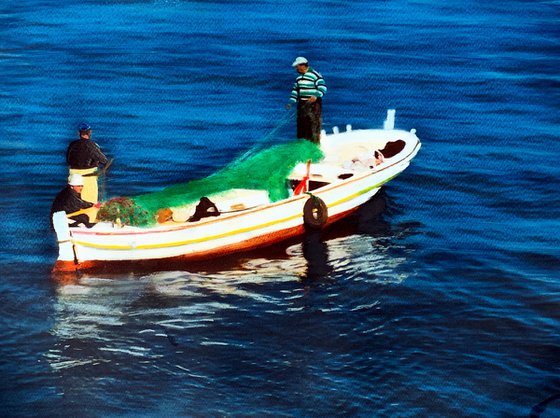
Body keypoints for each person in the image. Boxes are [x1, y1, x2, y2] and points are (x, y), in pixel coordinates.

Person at [66, 122, 108, 208]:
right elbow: (104, 160)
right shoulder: (92, 145)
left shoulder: (72, 145)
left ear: (78, 133)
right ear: (90, 132)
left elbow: (68, 160)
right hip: (88, 177)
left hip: (73, 176)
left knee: (74, 200)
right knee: (90, 201)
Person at [286, 57, 327, 144]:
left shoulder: (315, 75)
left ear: (303, 65)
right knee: (302, 125)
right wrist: (291, 102)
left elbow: (323, 88)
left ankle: (315, 144)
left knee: (313, 123)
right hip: (302, 104)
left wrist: (316, 95)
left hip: (313, 104)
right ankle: (302, 144)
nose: (296, 69)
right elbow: (295, 91)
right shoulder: (298, 79)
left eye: (297, 67)